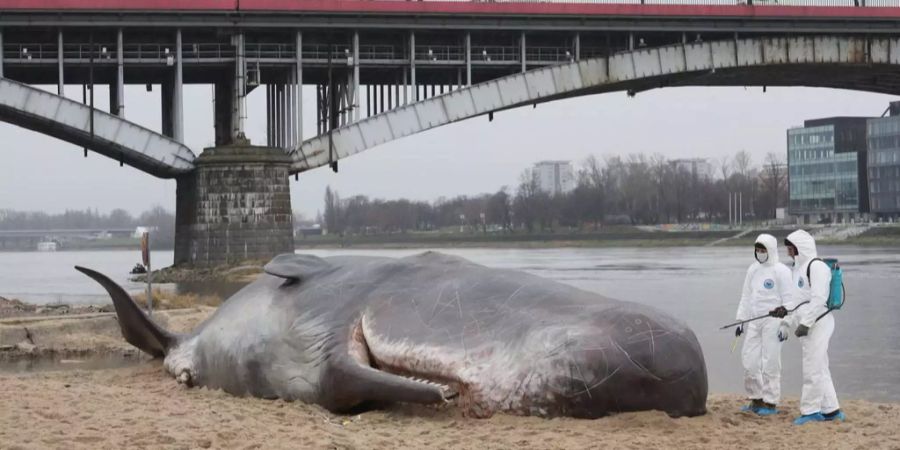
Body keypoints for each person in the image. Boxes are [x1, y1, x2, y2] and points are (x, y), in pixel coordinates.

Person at [770, 229, 845, 425]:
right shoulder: (797, 269)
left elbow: (819, 299)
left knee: (812, 367)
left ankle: (811, 411)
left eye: (790, 247)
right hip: (808, 327)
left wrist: (806, 323)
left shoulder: (817, 267)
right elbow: (797, 302)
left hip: (819, 324)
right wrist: (785, 316)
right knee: (820, 366)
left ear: (799, 248)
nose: (787, 250)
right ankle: (832, 410)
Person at [734, 234, 794, 416]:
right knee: (749, 360)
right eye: (758, 250)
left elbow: (790, 300)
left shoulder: (781, 271)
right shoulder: (753, 269)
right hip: (754, 320)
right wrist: (741, 321)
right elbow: (746, 296)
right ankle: (756, 398)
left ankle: (770, 402)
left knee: (771, 361)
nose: (760, 253)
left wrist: (786, 323)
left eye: (763, 250)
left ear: (771, 250)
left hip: (773, 321)